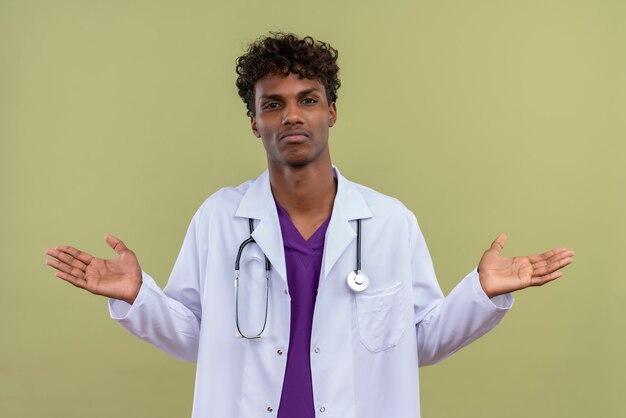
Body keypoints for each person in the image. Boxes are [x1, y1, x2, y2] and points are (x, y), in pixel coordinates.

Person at [45, 33, 574, 418]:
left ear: (331, 112)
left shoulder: (389, 222)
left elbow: (416, 343)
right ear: (254, 122)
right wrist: (139, 297)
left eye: (307, 100)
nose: (291, 116)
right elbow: (200, 340)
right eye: (272, 105)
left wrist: (479, 294)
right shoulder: (220, 219)